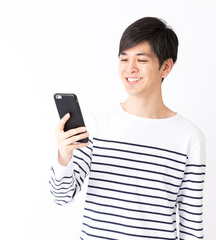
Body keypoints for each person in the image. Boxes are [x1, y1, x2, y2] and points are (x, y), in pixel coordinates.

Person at [49, 17, 206, 240]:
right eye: (124, 59)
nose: (129, 69)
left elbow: (192, 224)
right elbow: (61, 196)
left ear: (166, 67)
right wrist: (63, 157)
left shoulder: (190, 138)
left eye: (141, 60)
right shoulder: (96, 125)